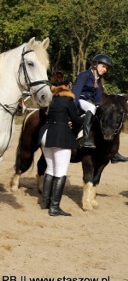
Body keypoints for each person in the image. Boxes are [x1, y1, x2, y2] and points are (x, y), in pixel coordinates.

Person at [38, 78, 83, 216]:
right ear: (67, 87)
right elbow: (76, 119)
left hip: (45, 135)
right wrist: (85, 118)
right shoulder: (68, 101)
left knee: (50, 169)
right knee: (61, 172)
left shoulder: (51, 100)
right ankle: (55, 207)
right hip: (59, 137)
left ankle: (45, 202)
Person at [71, 54, 112, 149]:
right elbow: (76, 93)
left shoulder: (99, 81)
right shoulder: (84, 75)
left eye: (107, 68)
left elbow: (98, 99)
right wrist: (71, 111)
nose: (105, 70)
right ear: (95, 65)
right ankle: (85, 139)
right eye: (103, 66)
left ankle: (112, 151)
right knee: (92, 107)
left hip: (90, 103)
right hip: (80, 101)